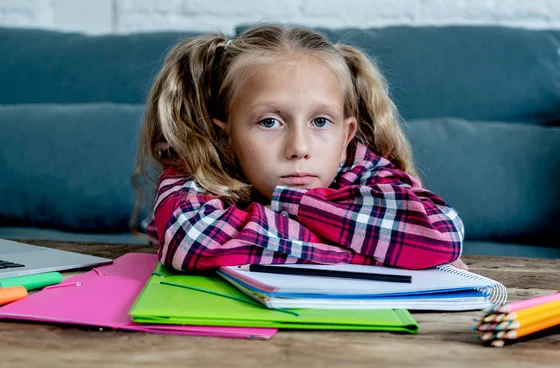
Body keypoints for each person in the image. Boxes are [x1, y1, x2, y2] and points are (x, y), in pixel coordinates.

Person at [131, 24, 467, 273]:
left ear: (347, 134)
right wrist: (384, 252)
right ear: (226, 135)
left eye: (321, 122)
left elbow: (440, 232)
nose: (299, 148)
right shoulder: (200, 167)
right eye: (269, 122)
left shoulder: (358, 164)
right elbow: (190, 239)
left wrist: (281, 211)